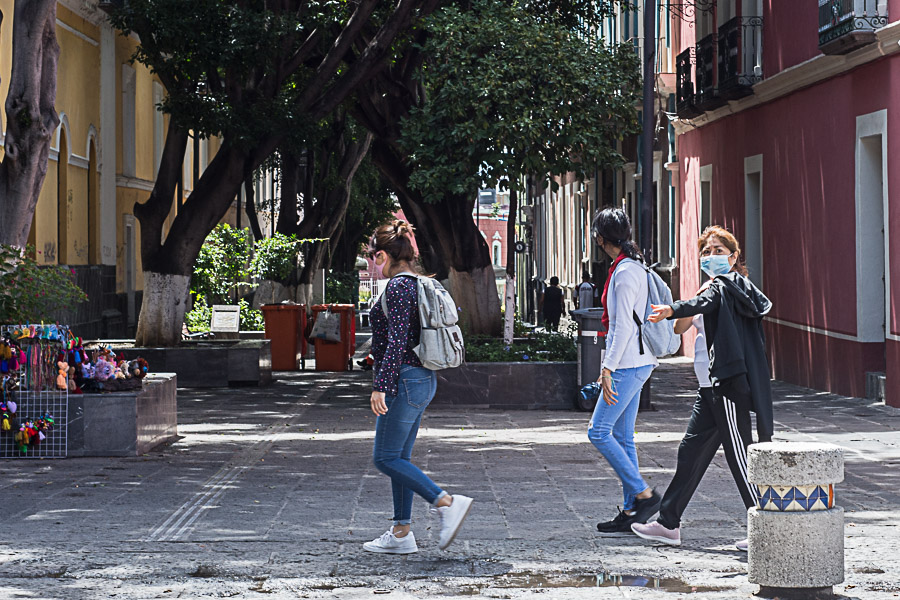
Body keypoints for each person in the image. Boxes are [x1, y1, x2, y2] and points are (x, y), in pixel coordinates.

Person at [631, 225, 772, 549]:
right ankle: (668, 524)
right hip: (707, 388)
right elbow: (681, 327)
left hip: (725, 387)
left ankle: (766, 527)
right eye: (706, 252)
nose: (711, 256)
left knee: (740, 457)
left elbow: (692, 309)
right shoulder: (711, 287)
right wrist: (687, 303)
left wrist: (673, 308)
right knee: (690, 453)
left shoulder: (730, 286)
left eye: (718, 251)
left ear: (733, 257)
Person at [363, 220, 473, 554]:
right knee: (399, 457)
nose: (372, 265)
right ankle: (401, 533)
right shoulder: (417, 283)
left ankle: (445, 502)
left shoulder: (398, 287)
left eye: (372, 258)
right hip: (421, 378)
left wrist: (381, 385)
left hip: (405, 380)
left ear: (382, 255)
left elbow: (397, 342)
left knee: (385, 458)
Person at [588, 208, 661, 534]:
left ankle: (644, 494)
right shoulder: (628, 267)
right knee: (622, 436)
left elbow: (622, 328)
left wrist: (607, 368)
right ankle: (632, 510)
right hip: (633, 362)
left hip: (629, 364)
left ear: (600, 238)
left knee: (598, 432)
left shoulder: (625, 271)